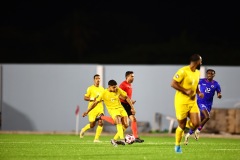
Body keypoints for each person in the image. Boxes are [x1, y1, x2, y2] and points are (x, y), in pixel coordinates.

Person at [82, 79, 136, 147]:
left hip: (120, 109)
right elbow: (95, 103)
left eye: (116, 86)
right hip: (113, 110)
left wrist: (132, 108)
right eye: (114, 87)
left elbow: (126, 98)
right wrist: (87, 111)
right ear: (109, 86)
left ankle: (114, 140)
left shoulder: (118, 90)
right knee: (118, 119)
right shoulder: (103, 93)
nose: (115, 88)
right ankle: (122, 139)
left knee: (126, 124)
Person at [170, 54, 204, 153]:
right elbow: (173, 83)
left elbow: (196, 84)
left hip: (192, 102)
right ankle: (177, 146)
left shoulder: (197, 72)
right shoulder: (183, 71)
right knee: (181, 125)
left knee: (197, 123)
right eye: (201, 60)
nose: (201, 62)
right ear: (197, 61)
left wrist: (198, 92)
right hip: (181, 102)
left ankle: (188, 126)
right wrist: (186, 91)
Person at [184, 69, 222, 144]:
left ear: (214, 75)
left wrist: (219, 95)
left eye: (211, 73)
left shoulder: (216, 84)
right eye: (208, 73)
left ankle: (188, 135)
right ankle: (198, 130)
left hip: (209, 104)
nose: (209, 75)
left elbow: (219, 93)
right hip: (201, 102)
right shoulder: (201, 81)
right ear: (206, 74)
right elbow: (193, 84)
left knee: (199, 121)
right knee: (207, 117)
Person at [119, 71, 144, 143]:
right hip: (122, 105)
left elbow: (127, 97)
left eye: (133, 76)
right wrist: (127, 100)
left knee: (133, 119)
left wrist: (130, 101)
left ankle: (136, 137)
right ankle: (120, 138)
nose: (133, 78)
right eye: (132, 76)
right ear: (127, 76)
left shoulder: (129, 85)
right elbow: (119, 95)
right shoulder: (123, 85)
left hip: (127, 105)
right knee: (124, 123)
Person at [79, 74, 105, 143]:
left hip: (100, 109)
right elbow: (85, 97)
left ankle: (96, 139)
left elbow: (104, 97)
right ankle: (83, 129)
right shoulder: (90, 88)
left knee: (101, 122)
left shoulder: (102, 89)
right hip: (92, 109)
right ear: (94, 80)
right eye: (96, 78)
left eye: (99, 78)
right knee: (92, 125)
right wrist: (93, 98)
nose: (98, 80)